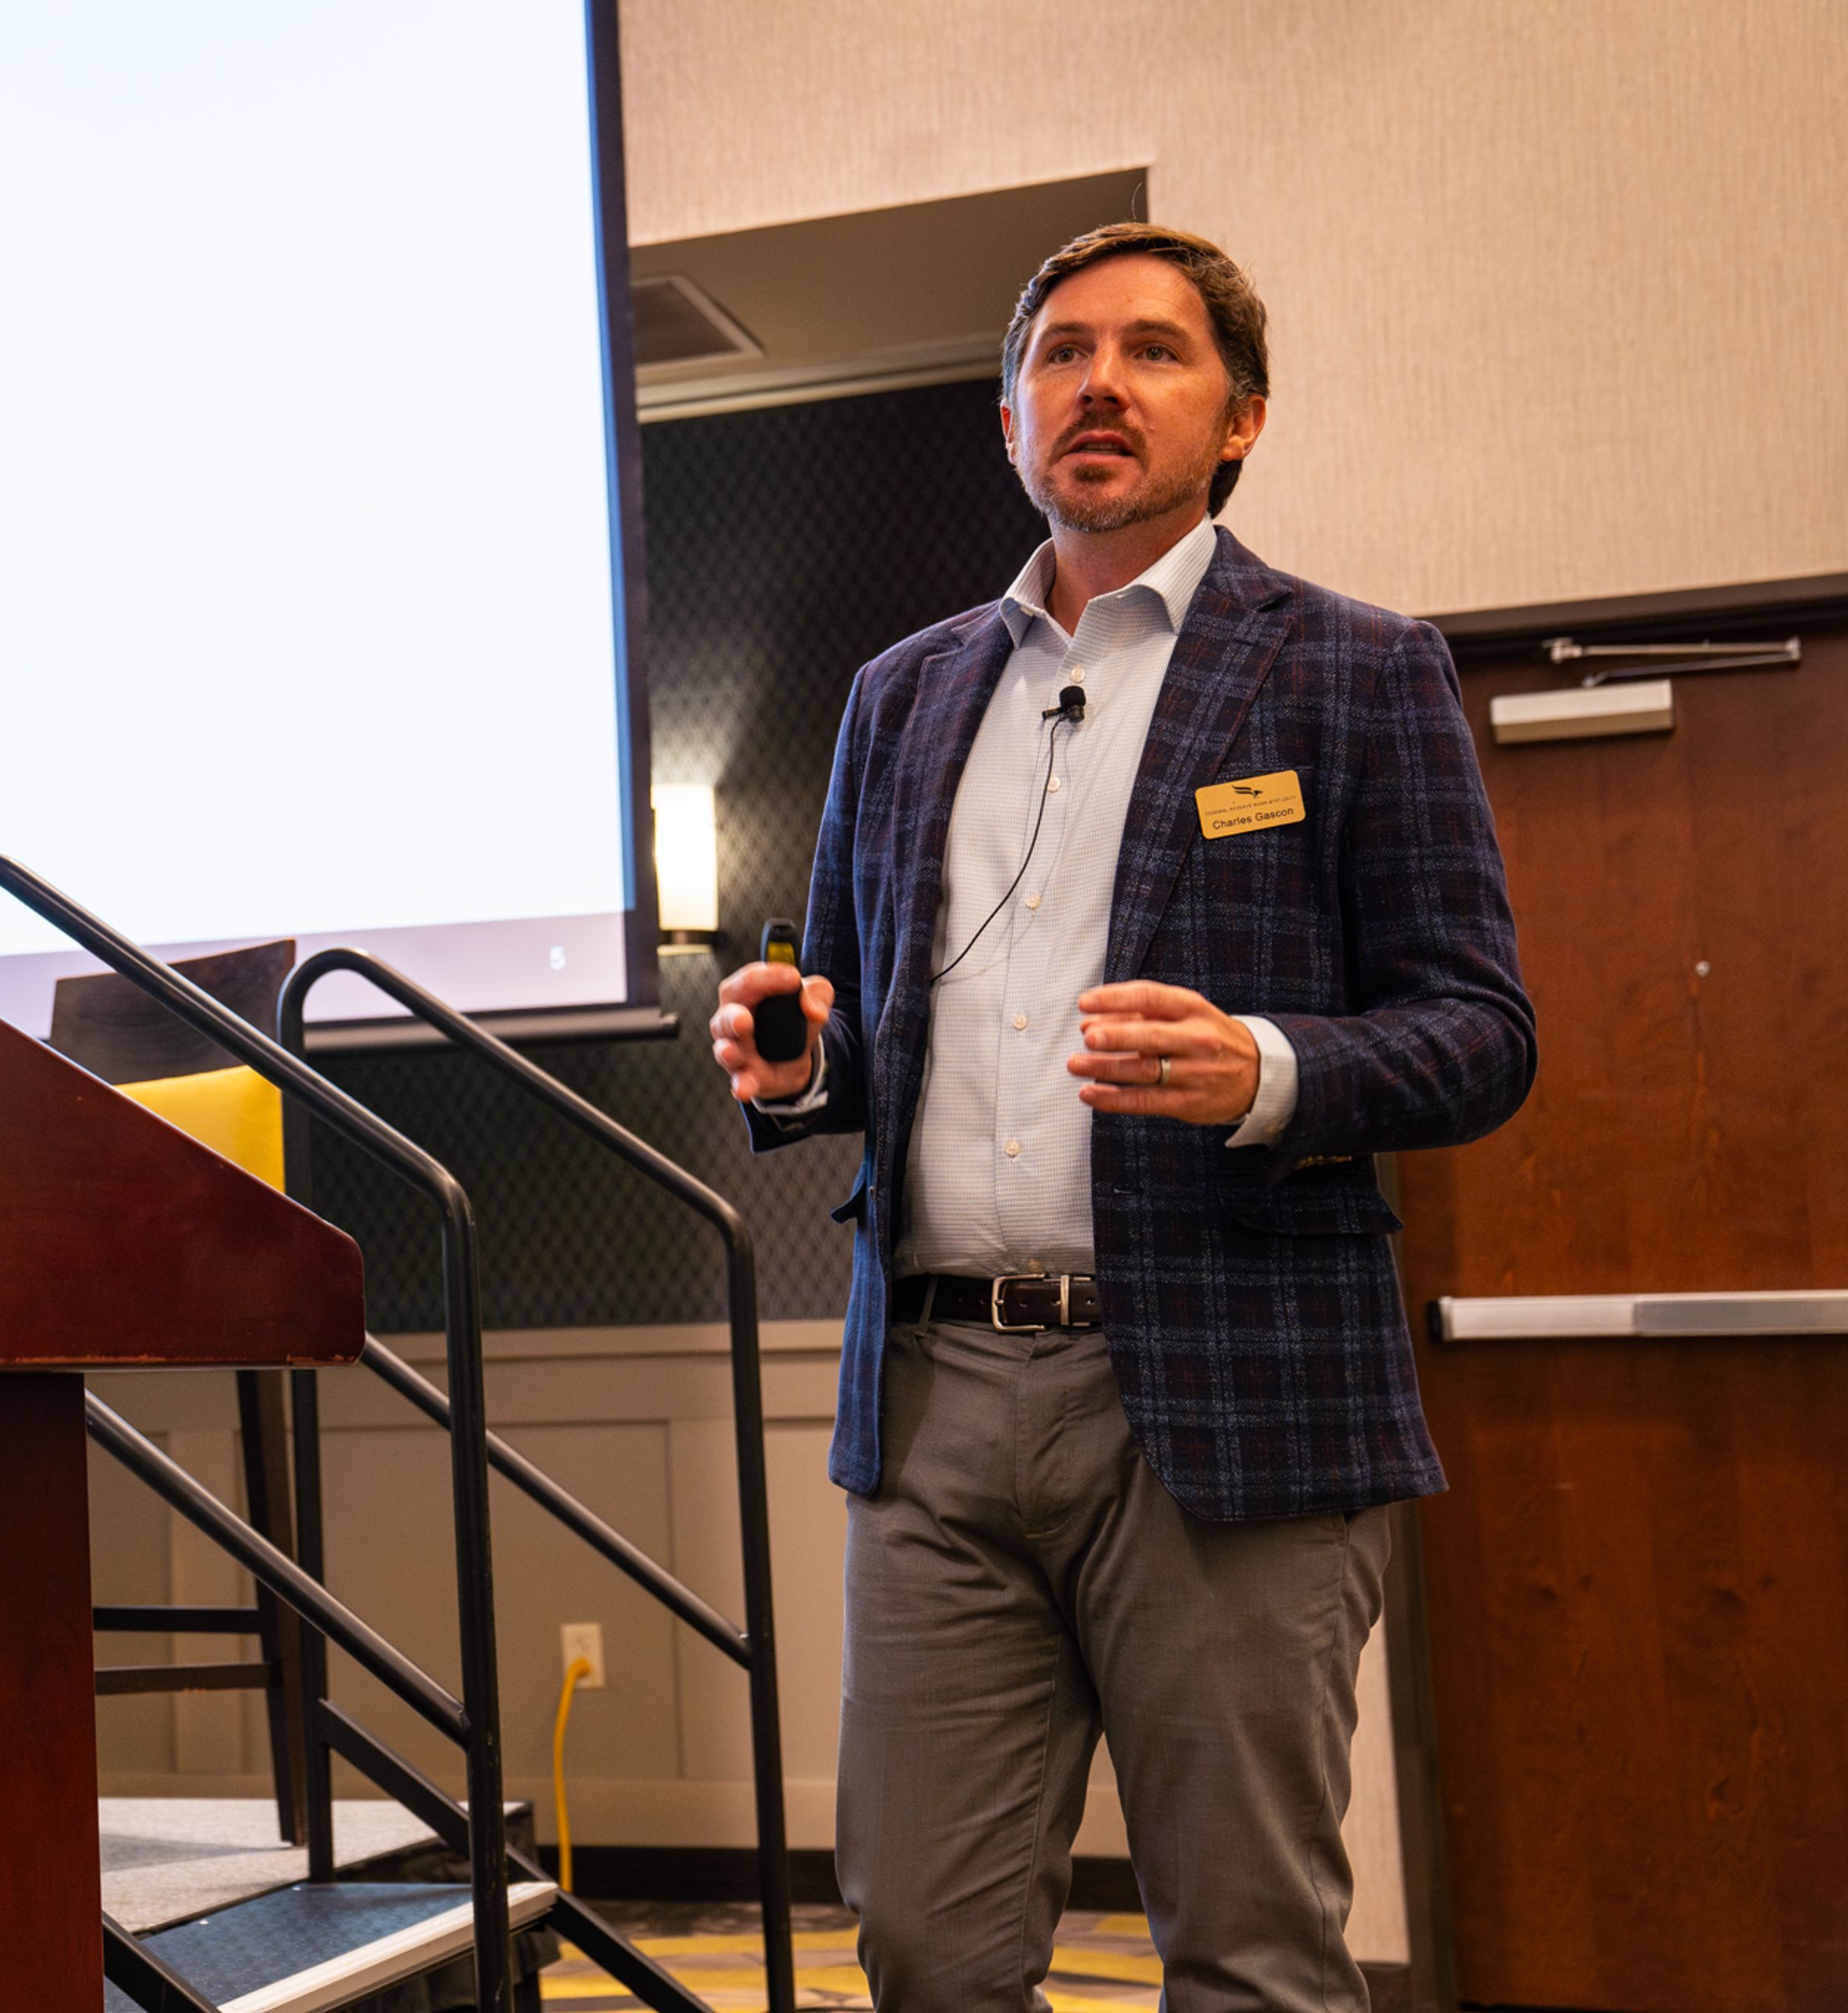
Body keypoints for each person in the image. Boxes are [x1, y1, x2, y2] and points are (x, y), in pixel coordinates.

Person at [706, 223, 1533, 2012]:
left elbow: (1481, 1034)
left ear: (1237, 419)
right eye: (1062, 352)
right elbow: (852, 1018)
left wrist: (1273, 1070)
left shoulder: (1352, 669)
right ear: (1010, 414)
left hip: (1227, 1394)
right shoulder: (901, 694)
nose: (1100, 381)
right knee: (928, 1946)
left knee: (1246, 1951)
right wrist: (801, 1064)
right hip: (932, 1405)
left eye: (1153, 352)